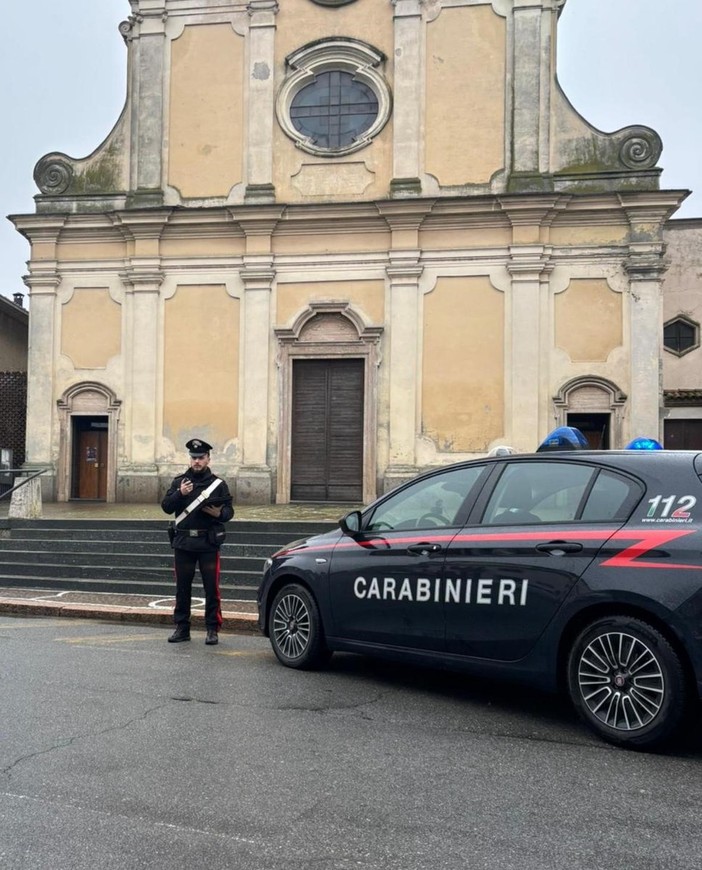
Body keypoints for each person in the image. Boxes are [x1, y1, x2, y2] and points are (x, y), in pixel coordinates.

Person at [161, 438, 234, 645]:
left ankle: (212, 629)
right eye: (194, 458)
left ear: (208, 459)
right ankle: (182, 628)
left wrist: (220, 514)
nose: (197, 461)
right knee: (182, 588)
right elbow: (166, 507)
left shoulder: (218, 485)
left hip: (207, 543)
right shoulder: (179, 482)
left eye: (201, 457)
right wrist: (179, 494)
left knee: (211, 588)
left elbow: (229, 511)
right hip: (184, 543)